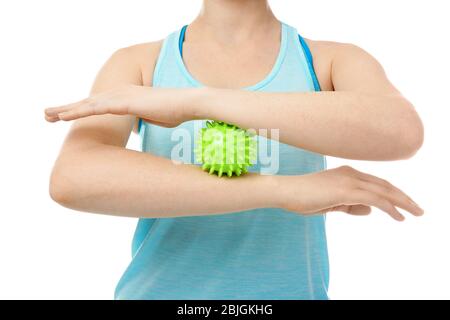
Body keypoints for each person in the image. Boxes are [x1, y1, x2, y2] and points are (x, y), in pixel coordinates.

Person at [45, 0, 424, 300]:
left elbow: (402, 132)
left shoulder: (331, 61)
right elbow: (72, 179)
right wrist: (284, 190)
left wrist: (199, 103)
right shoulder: (137, 64)